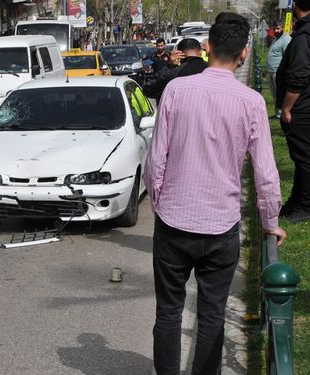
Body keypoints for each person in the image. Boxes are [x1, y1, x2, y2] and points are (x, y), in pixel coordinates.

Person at [144, 12, 286, 374]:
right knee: (211, 315)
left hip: (174, 223)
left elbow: (155, 160)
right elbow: (266, 174)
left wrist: (161, 204)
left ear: (207, 47)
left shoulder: (176, 89)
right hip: (220, 227)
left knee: (169, 312)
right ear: (243, 53)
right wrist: (271, 222)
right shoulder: (251, 102)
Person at [276, 0, 310, 222]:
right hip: (303, 106)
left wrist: (287, 108)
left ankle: (305, 206)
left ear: (296, 6)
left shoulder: (304, 36)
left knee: (305, 158)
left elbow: (299, 74)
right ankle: (297, 200)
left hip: (301, 109)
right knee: (300, 158)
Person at [265, 21, 291, 119]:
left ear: (283, 28)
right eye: (274, 29)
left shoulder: (286, 39)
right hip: (272, 71)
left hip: (279, 72)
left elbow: (288, 56)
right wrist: (266, 70)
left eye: (278, 28)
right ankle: (278, 114)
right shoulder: (276, 39)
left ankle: (282, 114)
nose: (276, 30)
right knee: (274, 93)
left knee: (280, 94)